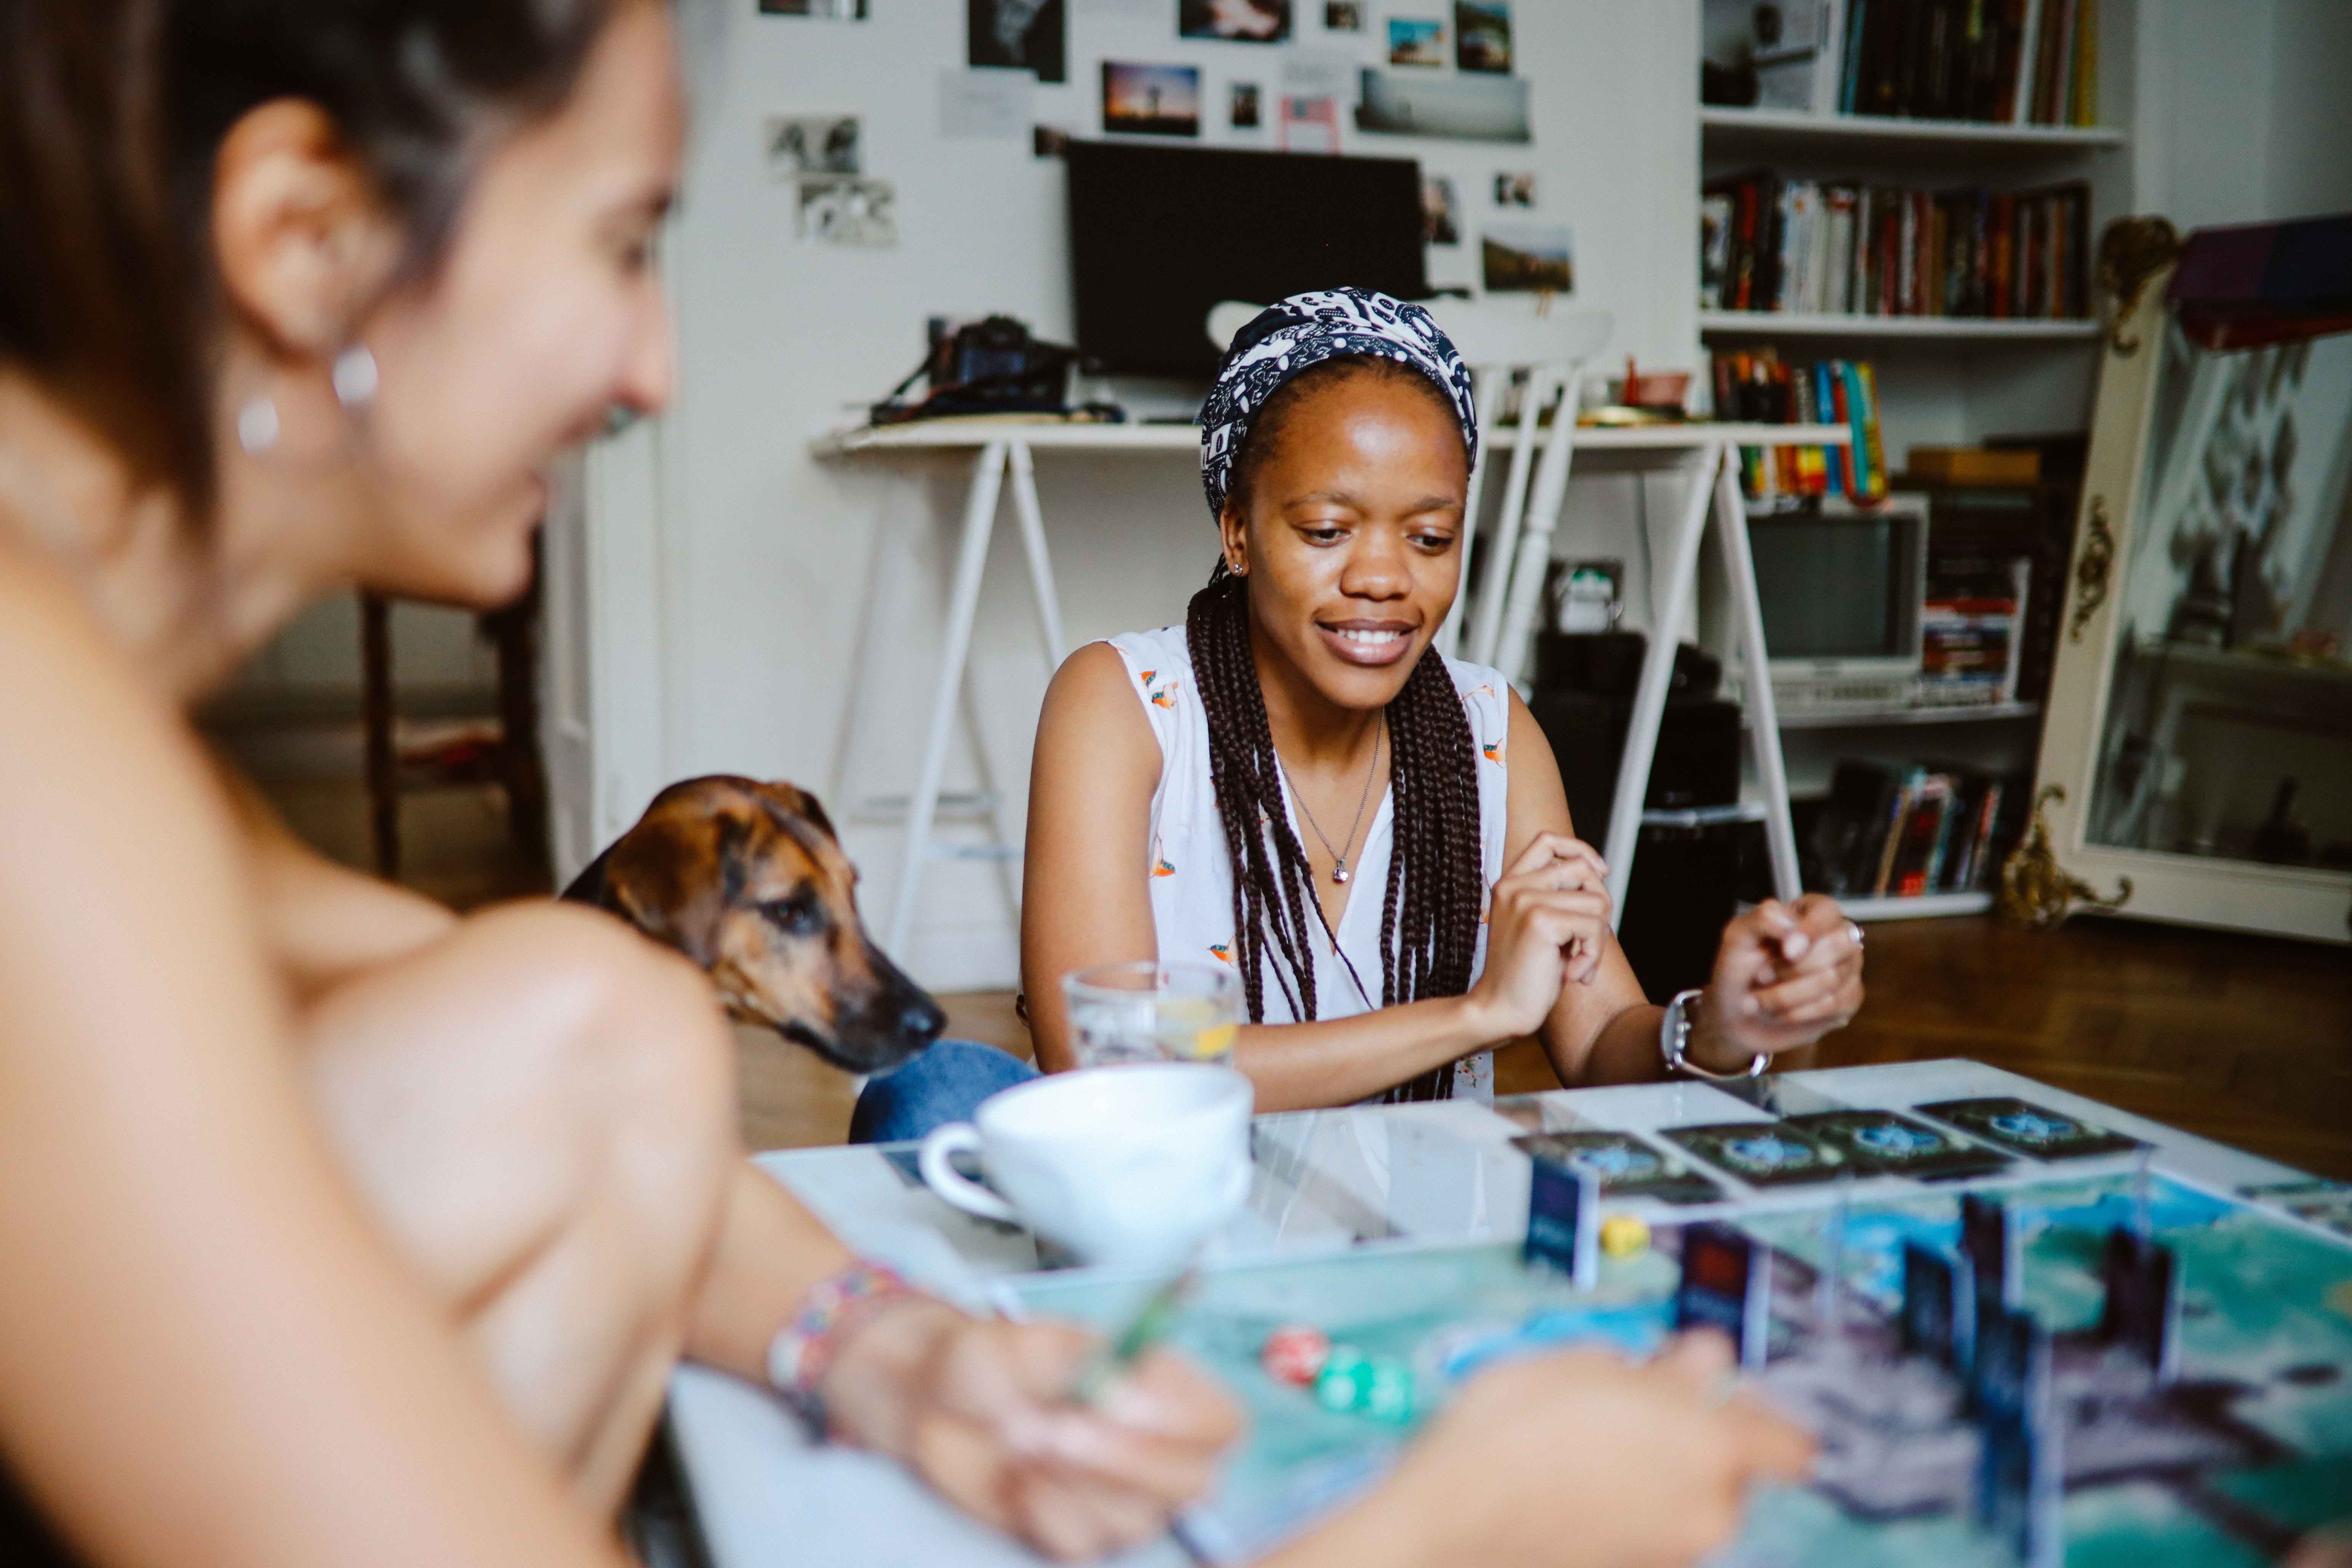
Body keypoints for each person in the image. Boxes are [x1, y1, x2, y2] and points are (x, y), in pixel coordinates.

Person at [0, 4, 1808, 1565]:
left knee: (577, 1012)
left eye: (1423, 533)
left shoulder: (90, 721)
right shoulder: (43, 789)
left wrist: (888, 1350)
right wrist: (1450, 1525)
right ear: (306, 237)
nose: (657, 366)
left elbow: (563, 1049)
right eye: (622, 243)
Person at [1000, 289, 1868, 1112]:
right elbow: (1107, 1063)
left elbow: (1602, 1035)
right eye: (1326, 531)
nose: (1382, 578)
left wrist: (1712, 1028)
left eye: (1429, 537)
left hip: (1417, 1234)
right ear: (1238, 533)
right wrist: (1478, 1014)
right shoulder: (1122, 707)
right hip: (1170, 1235)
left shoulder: (1490, 735)